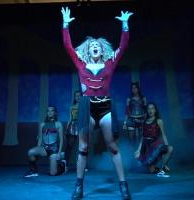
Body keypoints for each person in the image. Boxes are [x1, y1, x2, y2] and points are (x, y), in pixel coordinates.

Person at [61, 7, 133, 200]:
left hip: (105, 105)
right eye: (92, 44)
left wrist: (124, 24)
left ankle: (123, 186)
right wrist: (65, 23)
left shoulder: (110, 63)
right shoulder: (81, 64)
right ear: (88, 49)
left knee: (113, 147)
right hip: (86, 106)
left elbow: (123, 46)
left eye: (98, 45)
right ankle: (78, 186)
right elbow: (68, 46)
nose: (95, 46)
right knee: (83, 148)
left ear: (102, 50)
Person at [135, 103, 173, 177]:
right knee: (151, 170)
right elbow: (142, 137)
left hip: (155, 144)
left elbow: (163, 134)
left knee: (170, 148)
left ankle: (162, 169)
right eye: (149, 108)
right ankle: (161, 167)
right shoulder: (144, 121)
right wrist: (138, 150)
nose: (150, 110)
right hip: (146, 146)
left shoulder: (159, 121)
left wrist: (167, 146)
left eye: (152, 108)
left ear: (155, 110)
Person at [24, 106, 64, 177]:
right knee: (30, 152)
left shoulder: (58, 124)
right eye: (48, 111)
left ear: (55, 113)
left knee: (53, 173)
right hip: (44, 148)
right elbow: (40, 138)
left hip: (54, 149)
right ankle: (34, 171)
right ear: (47, 113)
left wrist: (59, 152)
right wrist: (38, 149)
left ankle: (62, 165)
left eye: (52, 111)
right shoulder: (42, 124)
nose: (50, 112)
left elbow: (61, 139)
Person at [123, 81, 146, 146]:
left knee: (141, 139)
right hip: (131, 120)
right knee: (131, 140)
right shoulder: (129, 99)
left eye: (135, 88)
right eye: (132, 88)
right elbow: (127, 111)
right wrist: (125, 123)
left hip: (141, 119)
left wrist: (145, 120)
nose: (134, 90)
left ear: (138, 89)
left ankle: (140, 154)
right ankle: (131, 153)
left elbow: (145, 110)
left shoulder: (143, 98)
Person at [64, 90, 81, 169]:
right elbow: (70, 118)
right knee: (69, 145)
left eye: (79, 95)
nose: (78, 97)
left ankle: (82, 165)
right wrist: (67, 128)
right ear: (74, 97)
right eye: (76, 96)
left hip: (81, 125)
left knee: (82, 146)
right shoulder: (72, 107)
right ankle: (65, 164)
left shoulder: (84, 107)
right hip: (73, 126)